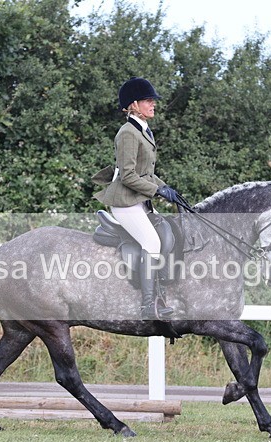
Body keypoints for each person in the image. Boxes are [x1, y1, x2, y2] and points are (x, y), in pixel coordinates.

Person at [93, 77, 182, 320]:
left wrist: (168, 189)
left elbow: (148, 174)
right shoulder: (128, 133)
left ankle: (160, 293)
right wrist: (156, 191)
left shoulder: (142, 130)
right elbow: (129, 176)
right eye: (148, 100)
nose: (153, 104)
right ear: (133, 104)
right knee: (151, 243)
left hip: (139, 200)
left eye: (152, 100)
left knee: (166, 233)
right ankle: (147, 306)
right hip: (125, 201)